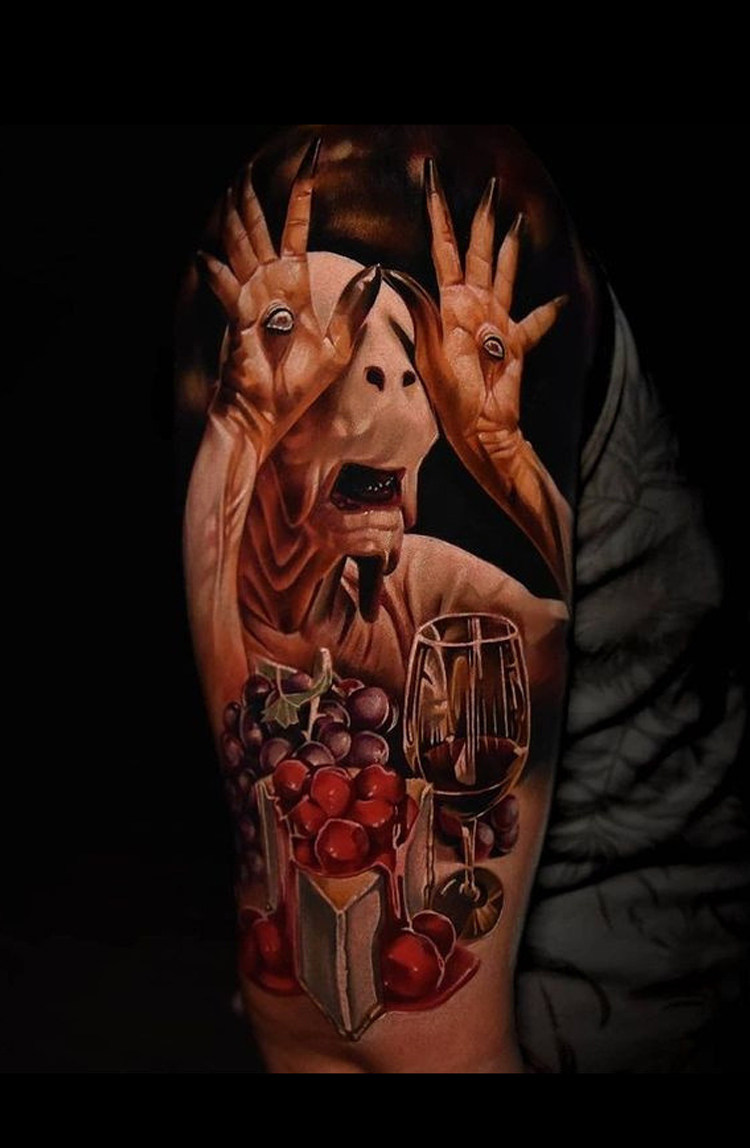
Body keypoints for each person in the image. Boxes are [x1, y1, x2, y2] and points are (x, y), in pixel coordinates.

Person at [177, 125, 749, 1073]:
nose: (394, 376)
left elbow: (555, 647)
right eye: (331, 346)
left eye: (405, 360)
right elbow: (353, 1041)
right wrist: (241, 424)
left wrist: (501, 455)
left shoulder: (427, 583)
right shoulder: (395, 165)